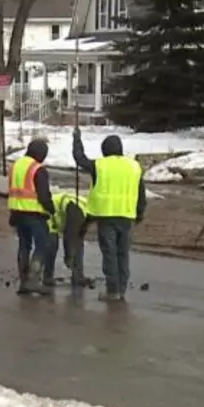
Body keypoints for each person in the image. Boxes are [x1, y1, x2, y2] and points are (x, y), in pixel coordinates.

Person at [72, 128, 146, 302]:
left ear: (104, 150)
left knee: (110, 254)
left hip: (106, 217)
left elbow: (79, 159)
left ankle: (112, 290)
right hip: (127, 216)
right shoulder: (134, 166)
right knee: (123, 254)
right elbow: (141, 192)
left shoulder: (100, 165)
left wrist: (77, 139)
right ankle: (121, 289)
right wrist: (140, 212)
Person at [8, 138, 56, 294]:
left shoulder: (15, 166)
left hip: (17, 212)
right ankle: (33, 280)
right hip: (35, 214)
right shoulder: (38, 169)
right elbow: (43, 196)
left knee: (24, 246)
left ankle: (23, 282)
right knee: (42, 245)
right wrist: (52, 210)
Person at [48, 192, 92, 287]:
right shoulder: (76, 211)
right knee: (52, 243)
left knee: (78, 242)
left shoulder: (88, 212)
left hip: (63, 216)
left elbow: (79, 236)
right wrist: (68, 256)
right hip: (49, 216)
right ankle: (47, 277)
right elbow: (68, 235)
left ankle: (78, 276)